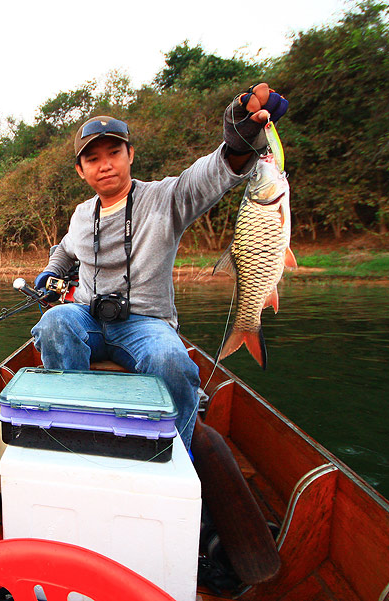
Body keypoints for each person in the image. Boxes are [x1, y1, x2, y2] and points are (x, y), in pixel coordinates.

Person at [31, 83, 289, 451]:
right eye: (93, 159)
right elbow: (66, 250)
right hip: (87, 317)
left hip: (147, 324)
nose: (105, 164)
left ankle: (173, 454)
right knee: (54, 322)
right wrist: (52, 270)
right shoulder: (81, 214)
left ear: (130, 154)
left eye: (114, 152)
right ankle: (77, 428)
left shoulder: (165, 197)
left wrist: (238, 140)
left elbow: (208, 177)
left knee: (174, 362)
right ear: (80, 170)